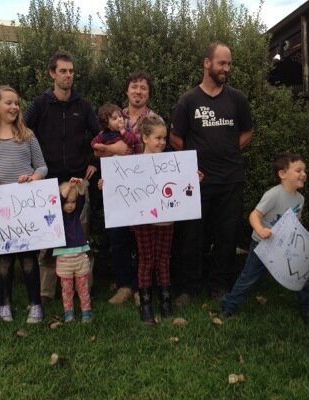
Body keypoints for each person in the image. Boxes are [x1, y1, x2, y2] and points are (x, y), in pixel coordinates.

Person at [170, 41, 253, 305]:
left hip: (231, 180)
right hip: (197, 182)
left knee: (226, 237)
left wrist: (229, 150)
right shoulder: (189, 100)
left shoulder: (237, 99)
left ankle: (219, 286)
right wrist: (194, 162)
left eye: (228, 64)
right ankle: (189, 288)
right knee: (192, 236)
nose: (226, 68)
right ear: (207, 63)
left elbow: (247, 132)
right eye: (222, 63)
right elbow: (174, 138)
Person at [0, 85, 47, 323]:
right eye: (8, 103)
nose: (14, 107)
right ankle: (4, 305)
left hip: (24, 207)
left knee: (28, 257)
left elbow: (42, 166)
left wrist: (33, 178)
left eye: (16, 103)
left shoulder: (27, 135)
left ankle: (35, 304)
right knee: (3, 259)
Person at [24, 51, 99, 301]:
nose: (68, 75)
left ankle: (83, 290)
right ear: (52, 74)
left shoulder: (84, 105)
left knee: (81, 234)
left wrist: (93, 162)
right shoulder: (39, 105)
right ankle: (46, 293)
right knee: (47, 237)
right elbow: (22, 136)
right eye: (63, 71)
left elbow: (99, 138)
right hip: (48, 182)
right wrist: (32, 169)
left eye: (71, 71)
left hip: (78, 180)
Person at [222, 153, 309, 326]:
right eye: (298, 170)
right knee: (249, 277)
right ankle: (228, 307)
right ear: (282, 174)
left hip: (285, 246)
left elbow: (294, 223)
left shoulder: (300, 199)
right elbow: (254, 215)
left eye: (304, 170)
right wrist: (260, 229)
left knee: (302, 277)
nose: (303, 174)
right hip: (263, 245)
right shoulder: (273, 194)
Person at [93, 72, 159, 306]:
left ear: (148, 93)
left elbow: (158, 149)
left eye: (143, 87)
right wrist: (119, 149)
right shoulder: (113, 117)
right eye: (134, 87)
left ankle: (143, 287)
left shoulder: (154, 119)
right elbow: (96, 150)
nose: (138, 91)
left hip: (143, 189)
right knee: (118, 238)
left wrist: (119, 148)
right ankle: (124, 285)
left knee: (143, 239)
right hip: (117, 190)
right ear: (127, 91)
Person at [130, 115, 175, 324]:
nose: (162, 142)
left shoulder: (172, 162)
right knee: (147, 260)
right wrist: (108, 184)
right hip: (142, 221)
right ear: (145, 138)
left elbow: (181, 188)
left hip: (166, 220)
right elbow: (122, 187)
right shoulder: (133, 164)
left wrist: (193, 178)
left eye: (164, 138)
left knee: (163, 260)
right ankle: (146, 304)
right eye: (158, 138)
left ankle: (166, 302)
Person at [53, 178, 91, 323]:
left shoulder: (75, 215)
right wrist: (69, 185)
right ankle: (68, 312)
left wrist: (79, 185)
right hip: (63, 259)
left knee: (83, 287)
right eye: (67, 202)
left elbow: (81, 198)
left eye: (72, 202)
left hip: (80, 256)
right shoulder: (59, 216)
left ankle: (86, 311)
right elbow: (60, 200)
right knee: (67, 289)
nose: (70, 205)